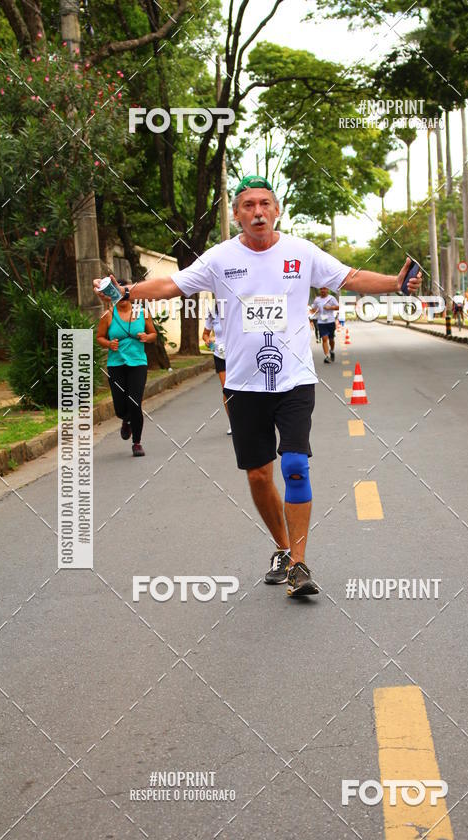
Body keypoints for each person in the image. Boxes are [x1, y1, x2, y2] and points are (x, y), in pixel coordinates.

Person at [94, 175, 421, 597]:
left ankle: (299, 564)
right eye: (248, 205)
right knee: (259, 475)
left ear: (277, 210)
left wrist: (395, 283)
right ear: (236, 215)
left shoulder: (301, 252)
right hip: (243, 384)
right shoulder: (220, 257)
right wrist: (127, 290)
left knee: (295, 465)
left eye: (265, 203)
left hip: (295, 380)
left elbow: (350, 277)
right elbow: (172, 285)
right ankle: (283, 548)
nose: (258, 212)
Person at [95, 284, 157, 456]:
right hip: (116, 365)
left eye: (124, 294)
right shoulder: (108, 315)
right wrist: (109, 344)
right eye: (117, 295)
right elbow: (99, 337)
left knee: (135, 403)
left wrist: (146, 337)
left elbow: (153, 334)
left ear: (130, 295)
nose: (121, 298)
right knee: (120, 407)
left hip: (138, 363)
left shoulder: (142, 313)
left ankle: (137, 443)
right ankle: (125, 419)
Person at [202, 301, 231, 434]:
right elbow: (205, 334)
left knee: (242, 389)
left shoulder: (235, 307)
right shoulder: (213, 313)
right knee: (227, 390)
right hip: (220, 354)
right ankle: (233, 422)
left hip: (237, 354)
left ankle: (246, 419)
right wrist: (208, 340)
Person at [309, 286, 339, 363]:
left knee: (331, 339)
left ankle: (332, 350)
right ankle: (327, 356)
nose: (323, 290)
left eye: (324, 289)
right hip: (321, 322)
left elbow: (338, 307)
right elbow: (313, 309)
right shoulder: (317, 300)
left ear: (327, 290)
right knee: (324, 339)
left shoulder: (331, 298)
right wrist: (315, 310)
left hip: (330, 321)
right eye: (321, 289)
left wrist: (330, 308)